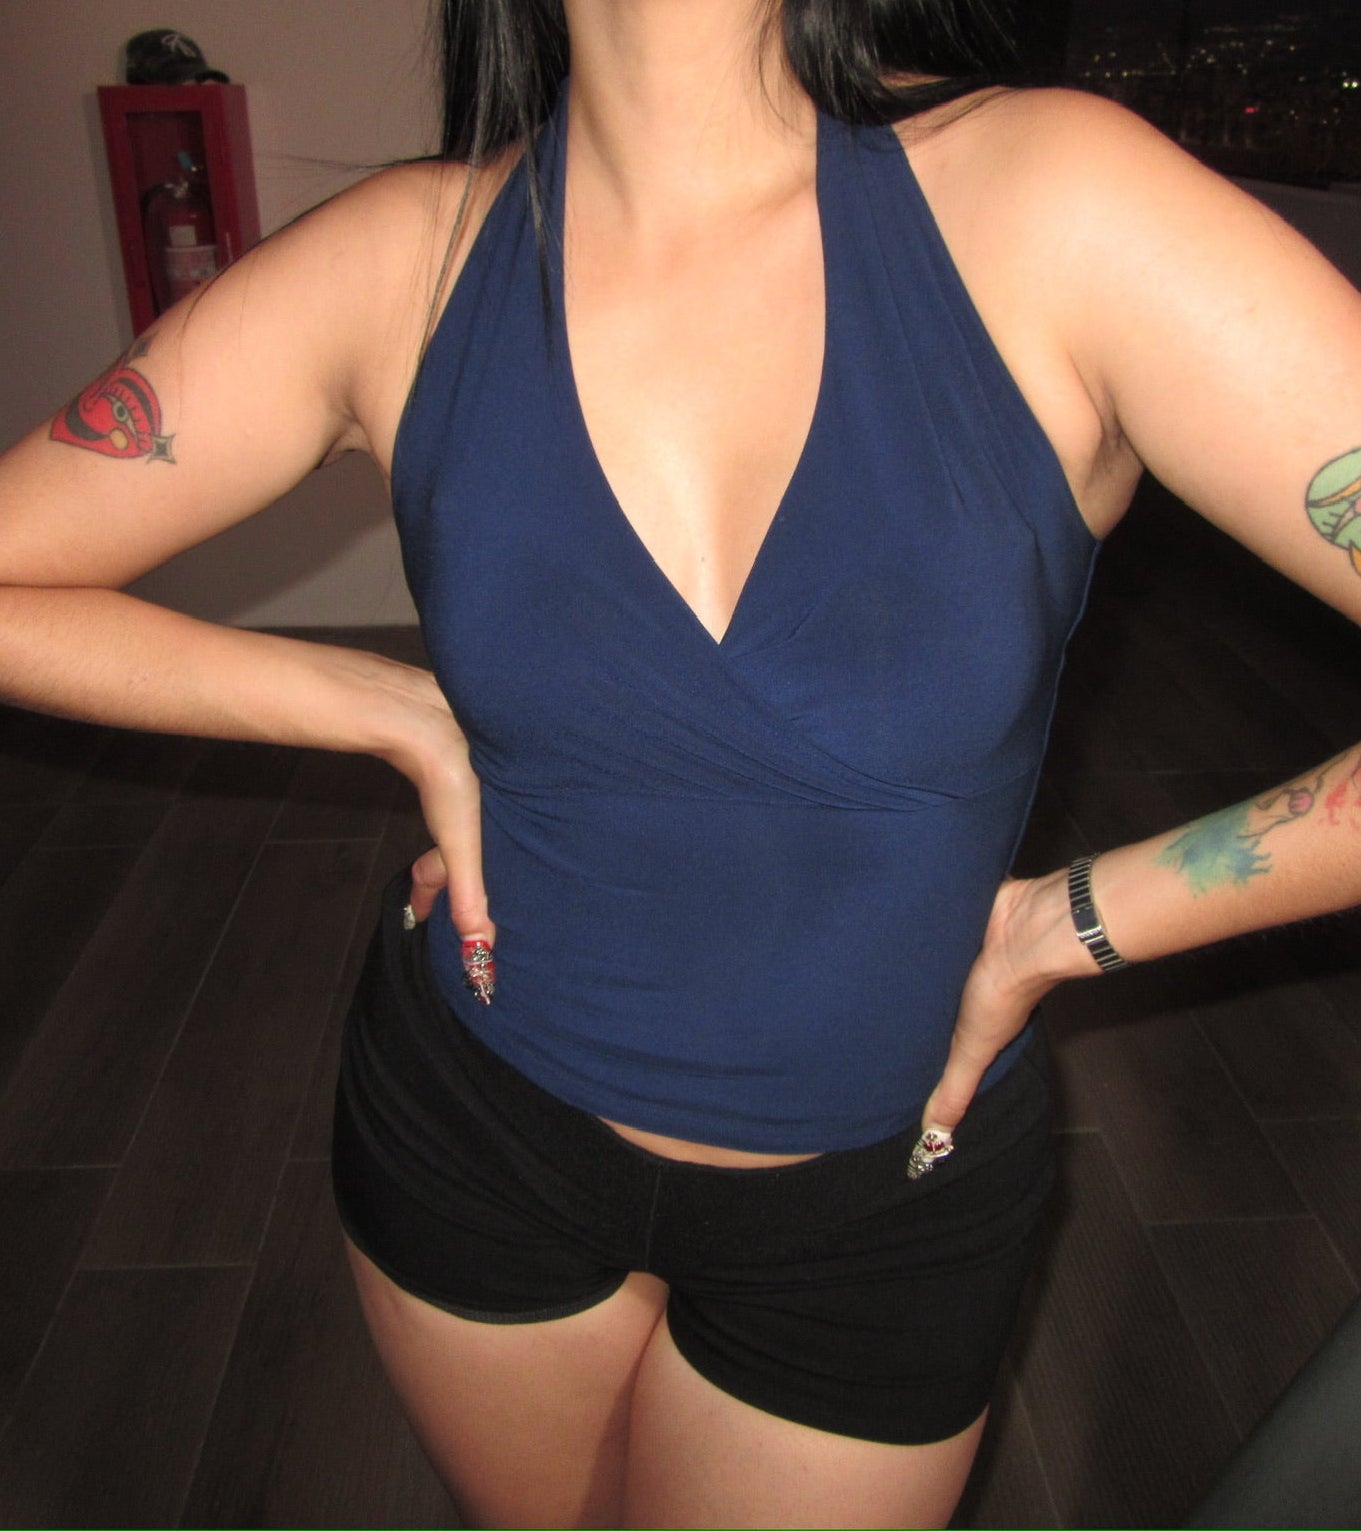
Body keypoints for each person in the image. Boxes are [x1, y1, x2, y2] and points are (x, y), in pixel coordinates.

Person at [3, 0, 1361, 1525]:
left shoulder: (1058, 207)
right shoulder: (398, 262)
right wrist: (379, 703)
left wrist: (1079, 919)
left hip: (880, 1198)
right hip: (475, 1130)